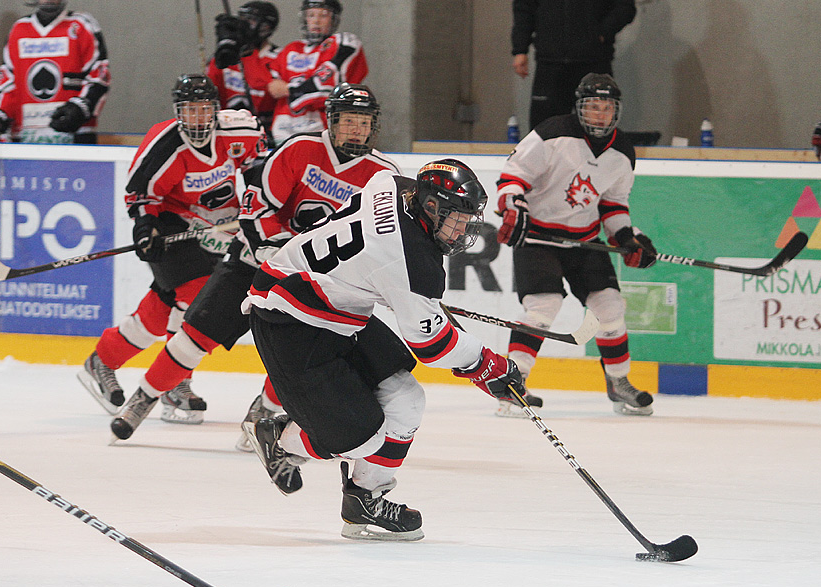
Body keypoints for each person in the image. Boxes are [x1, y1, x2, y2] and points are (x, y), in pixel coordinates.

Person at [242, 158, 527, 541]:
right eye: (456, 218)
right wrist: (486, 365)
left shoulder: (392, 185)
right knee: (361, 439)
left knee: (407, 399)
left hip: (335, 306)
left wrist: (415, 301)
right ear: (429, 206)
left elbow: (381, 269)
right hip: (288, 318)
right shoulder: (408, 258)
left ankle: (365, 501)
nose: (462, 231)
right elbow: (432, 345)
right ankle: (279, 439)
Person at [109, 82, 399, 442]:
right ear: (331, 121)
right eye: (349, 121)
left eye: (364, 122)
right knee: (194, 335)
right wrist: (268, 246)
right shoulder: (301, 148)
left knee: (299, 353)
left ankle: (263, 411)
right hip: (253, 259)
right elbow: (258, 202)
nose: (357, 130)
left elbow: (383, 239)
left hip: (314, 279)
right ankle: (144, 397)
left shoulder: (384, 177)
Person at [78, 74, 266, 422]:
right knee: (196, 293)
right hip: (172, 222)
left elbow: (262, 169)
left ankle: (103, 359)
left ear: (216, 110)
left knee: (161, 312)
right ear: (178, 112)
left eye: (204, 110)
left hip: (222, 223)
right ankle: (174, 383)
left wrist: (257, 206)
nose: (197, 118)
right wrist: (144, 227)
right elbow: (141, 194)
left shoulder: (241, 131)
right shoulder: (164, 144)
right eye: (189, 111)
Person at [495, 72, 656, 417]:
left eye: (607, 108)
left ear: (617, 111)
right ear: (580, 107)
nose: (600, 114)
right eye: (593, 107)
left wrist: (627, 238)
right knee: (543, 307)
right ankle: (511, 385)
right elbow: (512, 178)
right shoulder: (552, 133)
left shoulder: (623, 151)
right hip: (538, 237)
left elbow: (613, 205)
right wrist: (514, 206)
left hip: (584, 242)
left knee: (610, 308)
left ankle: (618, 382)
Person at [0, 0, 110, 144]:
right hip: (26, 138)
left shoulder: (82, 25)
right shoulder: (19, 29)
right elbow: (8, 85)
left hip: (75, 136)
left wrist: (81, 108)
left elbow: (99, 77)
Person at [511, 0, 636, 130]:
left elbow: (625, 7)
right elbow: (524, 8)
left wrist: (601, 33)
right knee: (545, 129)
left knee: (596, 129)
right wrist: (520, 49)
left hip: (594, 62)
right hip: (550, 63)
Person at [267, 0, 368, 144]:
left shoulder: (344, 43)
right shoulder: (291, 49)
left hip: (323, 130)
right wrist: (303, 87)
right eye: (311, 15)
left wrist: (289, 89)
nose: (316, 21)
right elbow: (274, 88)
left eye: (323, 15)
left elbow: (326, 90)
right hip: (283, 131)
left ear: (334, 19)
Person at [207, 1, 280, 140]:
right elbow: (212, 90)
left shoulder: (279, 56)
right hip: (229, 132)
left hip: (267, 134)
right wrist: (223, 48)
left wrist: (246, 52)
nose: (242, 25)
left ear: (266, 26)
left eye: (250, 21)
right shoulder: (230, 57)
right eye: (241, 19)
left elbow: (265, 92)